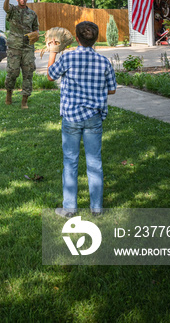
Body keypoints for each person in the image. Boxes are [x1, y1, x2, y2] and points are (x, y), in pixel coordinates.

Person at [47, 21, 116, 216]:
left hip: (71, 117)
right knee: (95, 162)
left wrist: (53, 51)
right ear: (95, 39)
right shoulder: (104, 62)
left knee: (70, 161)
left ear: (76, 38)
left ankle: (69, 208)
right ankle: (97, 209)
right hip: (94, 117)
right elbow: (111, 89)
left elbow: (51, 76)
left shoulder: (68, 57)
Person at [3, 0, 39, 109]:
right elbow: (6, 8)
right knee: (12, 72)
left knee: (28, 73)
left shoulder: (32, 14)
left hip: (27, 47)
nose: (23, 0)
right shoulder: (13, 10)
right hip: (14, 46)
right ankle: (9, 94)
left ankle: (24, 100)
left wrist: (35, 35)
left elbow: (36, 29)